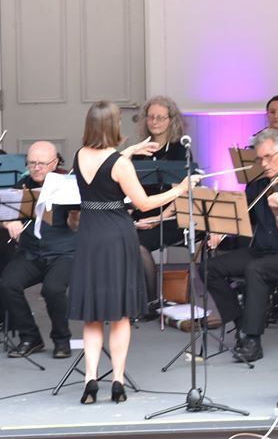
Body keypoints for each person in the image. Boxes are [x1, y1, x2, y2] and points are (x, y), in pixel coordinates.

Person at [70, 101, 199, 404]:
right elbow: (143, 203)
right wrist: (180, 189)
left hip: (89, 236)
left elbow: (104, 166)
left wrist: (131, 150)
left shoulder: (79, 155)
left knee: (92, 316)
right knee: (120, 315)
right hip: (116, 236)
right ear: (112, 126)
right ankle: (117, 381)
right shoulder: (120, 164)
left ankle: (90, 380)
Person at [204, 128, 278, 362]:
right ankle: (241, 325)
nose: (263, 164)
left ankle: (253, 341)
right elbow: (243, 219)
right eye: (260, 158)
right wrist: (221, 229)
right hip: (262, 251)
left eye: (268, 157)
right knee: (209, 268)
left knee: (255, 269)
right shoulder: (257, 186)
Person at [0, 141, 78, 359]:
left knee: (53, 290)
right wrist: (9, 222)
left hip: (63, 253)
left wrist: (75, 213)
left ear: (54, 163)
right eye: (32, 163)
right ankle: (30, 337)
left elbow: (76, 226)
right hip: (31, 253)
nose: (36, 168)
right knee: (8, 284)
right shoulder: (23, 184)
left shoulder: (67, 184)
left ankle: (62, 340)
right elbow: (4, 213)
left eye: (42, 164)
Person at [130, 95, 188, 310]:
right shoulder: (140, 151)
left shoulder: (179, 150)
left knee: (137, 244)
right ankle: (127, 295)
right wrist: (129, 213)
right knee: (117, 236)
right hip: (143, 212)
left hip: (171, 217)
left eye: (160, 117)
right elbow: (130, 190)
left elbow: (181, 194)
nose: (155, 122)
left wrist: (159, 218)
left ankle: (151, 300)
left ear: (171, 120)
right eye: (151, 117)